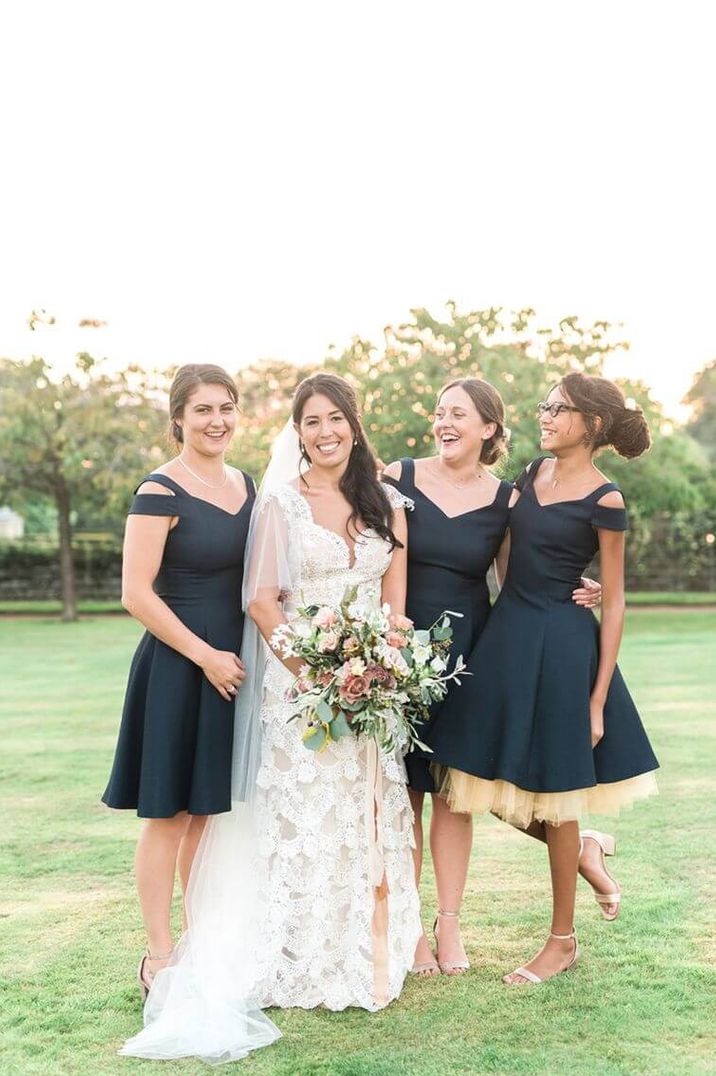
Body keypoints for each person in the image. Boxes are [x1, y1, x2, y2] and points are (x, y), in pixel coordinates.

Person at [119, 373, 421, 1062]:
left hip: (368, 687)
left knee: (355, 820)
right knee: (272, 819)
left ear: (354, 422)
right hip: (287, 683)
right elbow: (261, 601)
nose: (324, 432)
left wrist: (382, 668)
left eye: (336, 418)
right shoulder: (264, 500)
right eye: (311, 421)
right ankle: (184, 954)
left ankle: (362, 951)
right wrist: (323, 680)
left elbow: (395, 605)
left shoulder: (372, 503)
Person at [431, 373, 659, 985]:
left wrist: (597, 698)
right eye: (546, 405)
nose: (546, 415)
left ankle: (562, 941)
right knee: (467, 774)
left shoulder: (607, 501)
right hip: (506, 639)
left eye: (559, 408)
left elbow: (613, 600)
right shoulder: (530, 475)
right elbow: (502, 550)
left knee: (556, 798)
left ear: (593, 424)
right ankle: (587, 851)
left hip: (563, 649)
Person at [383, 378, 610, 978]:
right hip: (397, 649)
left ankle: (449, 925)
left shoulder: (508, 500)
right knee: (404, 796)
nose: (444, 421)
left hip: (470, 655)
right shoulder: (396, 478)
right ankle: (409, 930)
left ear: (489, 429)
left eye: (459, 413)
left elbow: (524, 579)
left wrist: (593, 589)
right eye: (439, 412)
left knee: (456, 795)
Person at [102, 364, 255, 999]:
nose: (216, 421)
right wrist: (205, 655)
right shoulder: (159, 490)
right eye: (203, 410)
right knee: (168, 814)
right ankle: (159, 955)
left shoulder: (247, 485)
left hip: (233, 669)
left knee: (207, 815)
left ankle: (199, 943)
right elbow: (135, 594)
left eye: (226, 408)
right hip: (178, 665)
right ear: (179, 419)